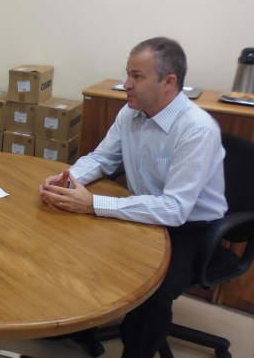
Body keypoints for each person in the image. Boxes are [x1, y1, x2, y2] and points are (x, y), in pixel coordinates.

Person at [38, 37, 227, 358]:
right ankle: (80, 325)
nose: (126, 84)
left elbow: (174, 209)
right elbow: (102, 159)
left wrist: (94, 204)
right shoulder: (131, 113)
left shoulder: (196, 129)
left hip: (190, 228)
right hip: (141, 211)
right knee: (75, 245)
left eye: (137, 76)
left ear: (169, 82)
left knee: (151, 293)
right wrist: (69, 179)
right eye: (127, 74)